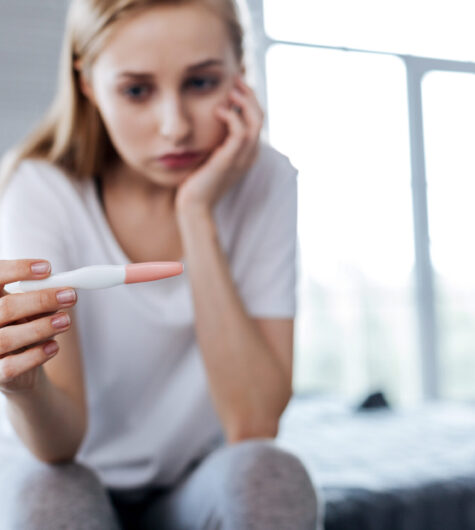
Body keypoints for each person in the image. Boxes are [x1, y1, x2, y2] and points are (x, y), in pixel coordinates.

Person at [0, 0, 318, 528]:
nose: (175, 128)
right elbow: (60, 448)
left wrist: (196, 213)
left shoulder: (267, 181)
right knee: (51, 495)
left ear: (240, 73)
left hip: (195, 483)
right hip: (70, 469)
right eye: (136, 90)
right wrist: (21, 384)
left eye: (200, 83)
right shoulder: (39, 189)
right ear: (87, 83)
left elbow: (253, 425)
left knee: (268, 474)